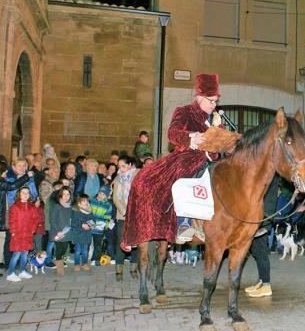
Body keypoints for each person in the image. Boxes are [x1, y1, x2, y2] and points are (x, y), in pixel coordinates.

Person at [122, 73, 227, 249]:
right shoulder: (184, 111)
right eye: (211, 100)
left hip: (212, 158)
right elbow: (172, 133)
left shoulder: (216, 119)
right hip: (187, 156)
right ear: (200, 97)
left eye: (216, 101)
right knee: (182, 173)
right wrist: (191, 137)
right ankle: (183, 223)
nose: (214, 105)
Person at [245, 174, 281, 298]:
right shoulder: (264, 175)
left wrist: (265, 225)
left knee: (261, 253)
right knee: (255, 251)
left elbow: (269, 203)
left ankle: (266, 285)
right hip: (254, 219)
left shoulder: (271, 178)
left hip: (262, 221)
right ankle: (261, 281)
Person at [113, 155, 139, 281]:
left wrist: (133, 211)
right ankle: (119, 271)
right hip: (122, 214)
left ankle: (134, 269)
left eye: (123, 166)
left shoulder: (138, 175)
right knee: (121, 241)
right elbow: (115, 198)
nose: (121, 169)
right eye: (119, 166)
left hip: (136, 214)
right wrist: (124, 211)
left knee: (135, 242)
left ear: (129, 165)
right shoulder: (118, 179)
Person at [7, 186, 37, 282]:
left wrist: (33, 229)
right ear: (19, 194)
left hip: (27, 234)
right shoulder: (15, 207)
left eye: (27, 193)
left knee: (25, 254)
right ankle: (10, 273)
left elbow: (35, 220)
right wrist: (13, 233)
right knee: (16, 254)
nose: (25, 194)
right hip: (18, 234)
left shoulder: (32, 207)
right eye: (23, 192)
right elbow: (12, 221)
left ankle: (22, 271)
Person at [50, 187, 73, 276]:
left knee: (64, 249)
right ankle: (60, 269)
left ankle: (59, 262)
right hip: (58, 231)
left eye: (68, 194)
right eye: (64, 194)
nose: (66, 196)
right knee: (59, 250)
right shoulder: (56, 206)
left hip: (67, 232)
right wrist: (58, 231)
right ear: (60, 195)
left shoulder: (70, 206)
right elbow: (52, 220)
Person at [90, 186, 113, 266]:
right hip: (89, 225)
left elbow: (108, 217)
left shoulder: (108, 205)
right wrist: (90, 223)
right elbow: (88, 212)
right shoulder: (91, 201)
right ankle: (85, 257)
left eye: (103, 194)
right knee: (87, 242)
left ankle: (95, 259)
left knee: (98, 244)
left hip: (99, 227)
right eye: (100, 193)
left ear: (106, 196)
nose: (101, 195)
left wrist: (104, 225)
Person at [71, 194, 93, 272]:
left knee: (85, 251)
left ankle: (85, 263)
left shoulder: (90, 213)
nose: (85, 204)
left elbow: (93, 222)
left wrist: (89, 225)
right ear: (79, 204)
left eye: (87, 202)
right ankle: (76, 264)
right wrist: (81, 225)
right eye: (83, 202)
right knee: (77, 251)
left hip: (86, 235)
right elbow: (73, 223)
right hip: (78, 235)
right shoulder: (76, 212)